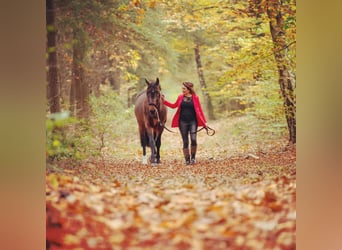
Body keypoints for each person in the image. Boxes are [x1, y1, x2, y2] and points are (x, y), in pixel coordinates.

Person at [162, 82, 207, 165]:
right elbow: (173, 106)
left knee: (193, 139)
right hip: (182, 122)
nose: (182, 90)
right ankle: (187, 159)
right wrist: (164, 101)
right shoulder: (180, 97)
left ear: (189, 89)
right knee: (185, 141)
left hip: (193, 121)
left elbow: (199, 110)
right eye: (182, 88)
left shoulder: (195, 98)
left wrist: (204, 123)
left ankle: (193, 158)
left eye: (184, 89)